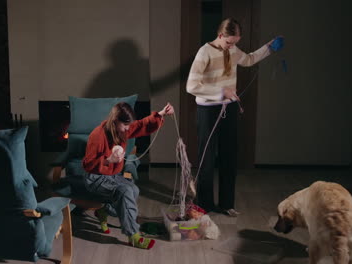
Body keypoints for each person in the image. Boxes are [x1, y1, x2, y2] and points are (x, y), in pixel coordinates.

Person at [186, 18, 281, 217]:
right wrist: (221, 92)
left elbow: (249, 59)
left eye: (236, 42)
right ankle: (205, 205)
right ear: (221, 35)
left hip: (229, 108)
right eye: (229, 42)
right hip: (208, 110)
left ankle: (227, 204)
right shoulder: (205, 52)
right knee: (207, 159)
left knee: (229, 156)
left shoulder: (233, 49)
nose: (233, 46)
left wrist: (269, 48)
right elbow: (191, 86)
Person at [83, 102, 174, 249]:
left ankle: (103, 211)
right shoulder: (97, 135)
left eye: (128, 126)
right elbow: (87, 165)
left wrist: (161, 114)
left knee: (134, 190)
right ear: (114, 121)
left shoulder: (123, 130)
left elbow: (141, 125)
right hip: (95, 177)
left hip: (112, 176)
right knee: (125, 192)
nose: (127, 129)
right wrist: (108, 160)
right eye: (125, 125)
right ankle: (133, 235)